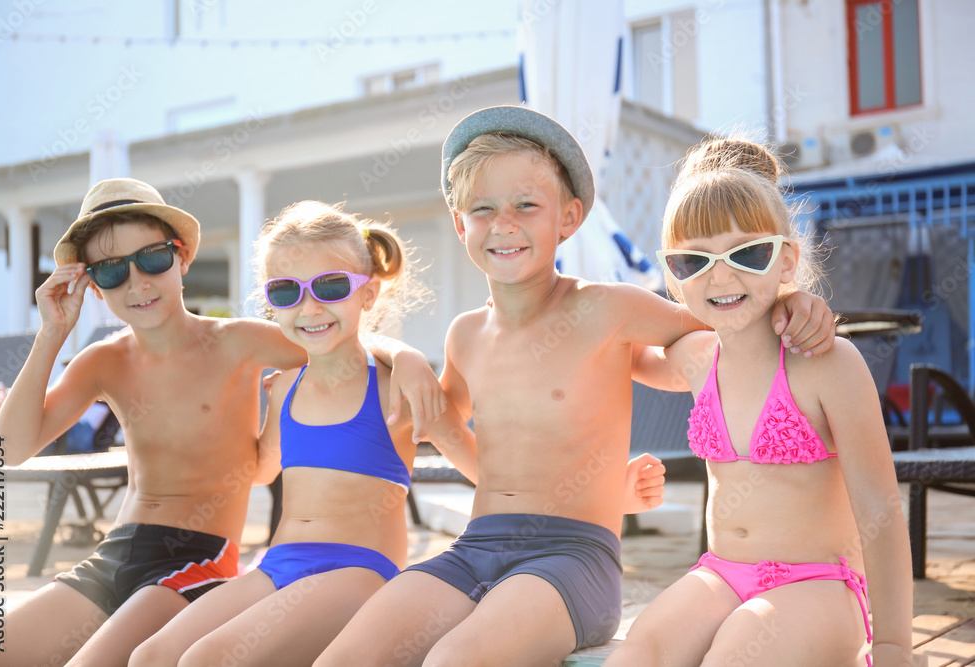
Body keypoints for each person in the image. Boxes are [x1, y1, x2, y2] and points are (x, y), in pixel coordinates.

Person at [316, 106, 837, 666]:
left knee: (454, 661)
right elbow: (438, 421)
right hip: (476, 547)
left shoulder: (606, 309)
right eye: (483, 209)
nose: (504, 224)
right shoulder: (465, 334)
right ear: (459, 222)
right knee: (345, 657)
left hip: (573, 557)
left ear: (568, 216)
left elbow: (727, 319)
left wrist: (789, 301)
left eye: (526, 205)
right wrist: (402, 354)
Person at [0, 179, 442, 667]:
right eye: (112, 271)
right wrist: (52, 334)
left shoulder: (238, 341)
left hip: (198, 556)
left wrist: (404, 354)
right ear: (92, 285)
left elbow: (334, 340)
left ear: (182, 257)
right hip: (118, 551)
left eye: (152, 259)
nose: (137, 282)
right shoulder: (102, 361)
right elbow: (8, 449)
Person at [605, 137, 912, 666]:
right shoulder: (697, 357)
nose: (721, 276)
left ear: (787, 258)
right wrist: (544, 304)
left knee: (736, 656)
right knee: (638, 655)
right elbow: (619, 349)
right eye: (692, 261)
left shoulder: (827, 363)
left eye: (748, 253)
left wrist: (892, 646)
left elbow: (881, 511)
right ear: (671, 273)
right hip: (720, 573)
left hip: (818, 583)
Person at [127, 200, 460, 666]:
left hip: (358, 570)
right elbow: (264, 469)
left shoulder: (395, 388)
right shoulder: (284, 388)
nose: (309, 307)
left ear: (368, 293)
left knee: (206, 660)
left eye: (330, 286)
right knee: (151, 656)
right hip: (279, 565)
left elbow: (475, 460)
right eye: (286, 292)